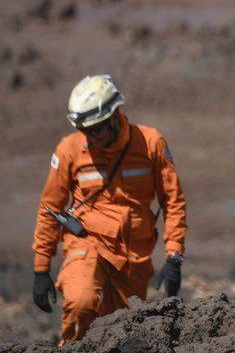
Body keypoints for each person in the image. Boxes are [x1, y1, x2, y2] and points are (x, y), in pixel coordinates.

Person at [31, 75, 188, 344]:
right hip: (87, 243)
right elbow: (50, 208)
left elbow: (172, 202)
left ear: (114, 116)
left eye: (96, 129)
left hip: (134, 257)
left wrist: (173, 257)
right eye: (85, 131)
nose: (91, 137)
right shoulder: (70, 150)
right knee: (80, 303)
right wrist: (41, 268)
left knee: (125, 333)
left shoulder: (151, 143)